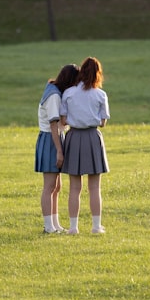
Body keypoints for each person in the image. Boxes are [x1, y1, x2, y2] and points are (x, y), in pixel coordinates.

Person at [60, 56, 110, 234]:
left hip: (73, 136)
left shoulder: (69, 93)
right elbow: (103, 122)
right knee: (95, 187)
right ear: (98, 74)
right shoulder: (100, 94)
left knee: (74, 187)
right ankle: (96, 226)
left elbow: (63, 119)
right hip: (92, 137)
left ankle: (73, 227)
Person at [36, 64, 79, 234]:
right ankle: (48, 226)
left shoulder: (54, 90)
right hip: (50, 140)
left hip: (55, 138)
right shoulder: (53, 96)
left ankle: (55, 223)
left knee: (57, 186)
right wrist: (59, 151)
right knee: (49, 186)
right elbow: (53, 125)